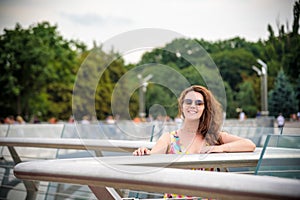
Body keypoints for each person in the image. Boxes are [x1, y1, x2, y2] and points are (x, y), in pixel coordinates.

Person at [133, 85, 256, 198]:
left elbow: (249, 145)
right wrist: (143, 152)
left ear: (205, 108)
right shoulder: (169, 139)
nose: (193, 106)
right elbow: (151, 160)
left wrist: (219, 148)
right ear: (182, 106)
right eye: (188, 102)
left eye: (199, 103)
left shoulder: (213, 137)